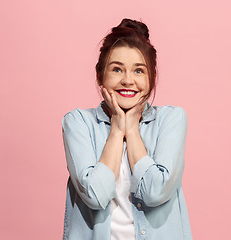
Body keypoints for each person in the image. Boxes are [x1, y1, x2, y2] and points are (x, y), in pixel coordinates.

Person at [62, 18, 192, 240]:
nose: (128, 80)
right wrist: (116, 129)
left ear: (153, 78)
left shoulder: (171, 119)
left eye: (139, 71)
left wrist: (131, 130)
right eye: (117, 69)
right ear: (100, 75)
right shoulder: (78, 122)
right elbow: (96, 195)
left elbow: (155, 192)